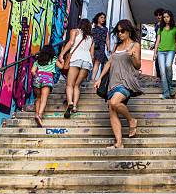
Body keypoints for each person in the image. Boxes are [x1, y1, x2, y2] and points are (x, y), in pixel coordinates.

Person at [94, 19, 142, 149]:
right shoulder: (116, 46)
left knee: (114, 102)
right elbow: (109, 63)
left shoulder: (135, 45)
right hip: (112, 82)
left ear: (129, 31)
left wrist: (133, 56)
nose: (120, 34)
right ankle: (119, 143)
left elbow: (138, 66)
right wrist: (99, 78)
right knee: (112, 110)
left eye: (122, 31)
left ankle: (131, 120)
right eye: (118, 31)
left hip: (126, 81)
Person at [58, 19, 94, 118]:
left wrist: (62, 54)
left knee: (69, 84)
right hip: (86, 61)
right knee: (77, 85)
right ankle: (74, 107)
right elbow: (92, 54)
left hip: (76, 58)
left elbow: (70, 42)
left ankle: (70, 102)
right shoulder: (91, 38)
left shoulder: (75, 31)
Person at [31, 45, 63, 126]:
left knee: (38, 98)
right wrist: (62, 60)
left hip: (38, 78)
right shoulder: (54, 59)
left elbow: (32, 71)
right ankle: (39, 115)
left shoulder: (38, 60)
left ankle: (36, 114)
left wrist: (37, 76)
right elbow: (61, 67)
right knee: (44, 99)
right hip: (48, 78)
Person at [153, 10, 176, 99]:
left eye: (167, 17)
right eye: (164, 17)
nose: (165, 19)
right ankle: (166, 93)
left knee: (168, 66)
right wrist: (155, 53)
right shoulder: (160, 28)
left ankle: (170, 87)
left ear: (171, 17)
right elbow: (157, 41)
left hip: (171, 51)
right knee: (162, 72)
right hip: (161, 51)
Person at [91, 12, 110, 81]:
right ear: (98, 18)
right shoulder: (93, 27)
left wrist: (108, 48)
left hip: (101, 47)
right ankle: (87, 78)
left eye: (104, 18)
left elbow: (107, 39)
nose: (103, 19)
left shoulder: (105, 29)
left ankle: (92, 79)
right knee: (91, 62)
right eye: (101, 17)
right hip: (93, 46)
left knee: (97, 63)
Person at [153, 8, 164, 79]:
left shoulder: (167, 24)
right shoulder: (156, 24)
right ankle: (160, 79)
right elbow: (157, 37)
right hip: (158, 47)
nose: (158, 16)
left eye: (160, 15)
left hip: (165, 46)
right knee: (157, 64)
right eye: (157, 15)